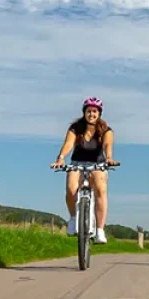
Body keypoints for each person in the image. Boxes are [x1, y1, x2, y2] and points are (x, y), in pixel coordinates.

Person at [50, 97, 118, 243]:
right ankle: (74, 218)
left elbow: (107, 146)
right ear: (84, 112)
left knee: (100, 189)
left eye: (94, 111)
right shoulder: (76, 128)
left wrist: (109, 158)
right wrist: (61, 158)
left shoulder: (106, 130)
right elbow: (68, 144)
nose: (91, 114)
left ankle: (100, 230)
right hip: (77, 162)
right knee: (71, 188)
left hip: (98, 164)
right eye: (89, 111)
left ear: (99, 113)